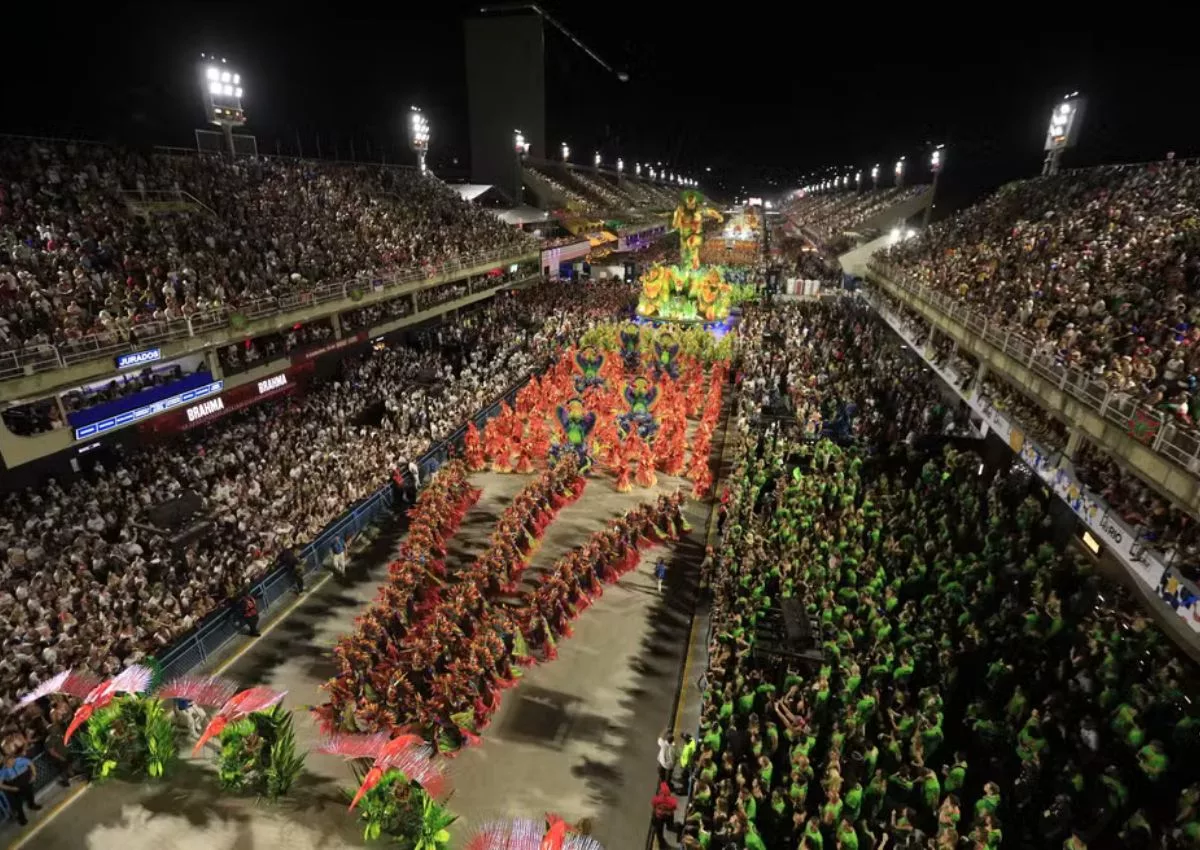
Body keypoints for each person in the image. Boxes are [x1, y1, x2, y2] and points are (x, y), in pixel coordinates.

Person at [0, 748, 40, 825]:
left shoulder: (19, 760)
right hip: (13, 786)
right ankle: (22, 818)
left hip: (25, 780)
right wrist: (11, 788)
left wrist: (34, 775)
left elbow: (30, 763)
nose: (9, 764)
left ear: (13, 759)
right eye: (7, 763)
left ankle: (32, 805)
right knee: (17, 804)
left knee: (30, 794)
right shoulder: (3, 770)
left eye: (10, 761)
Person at [652, 780, 679, 849]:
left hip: (658, 817)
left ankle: (662, 845)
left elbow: (654, 804)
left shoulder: (657, 799)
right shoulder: (672, 801)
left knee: (659, 832)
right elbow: (674, 808)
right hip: (667, 816)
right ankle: (670, 827)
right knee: (669, 823)